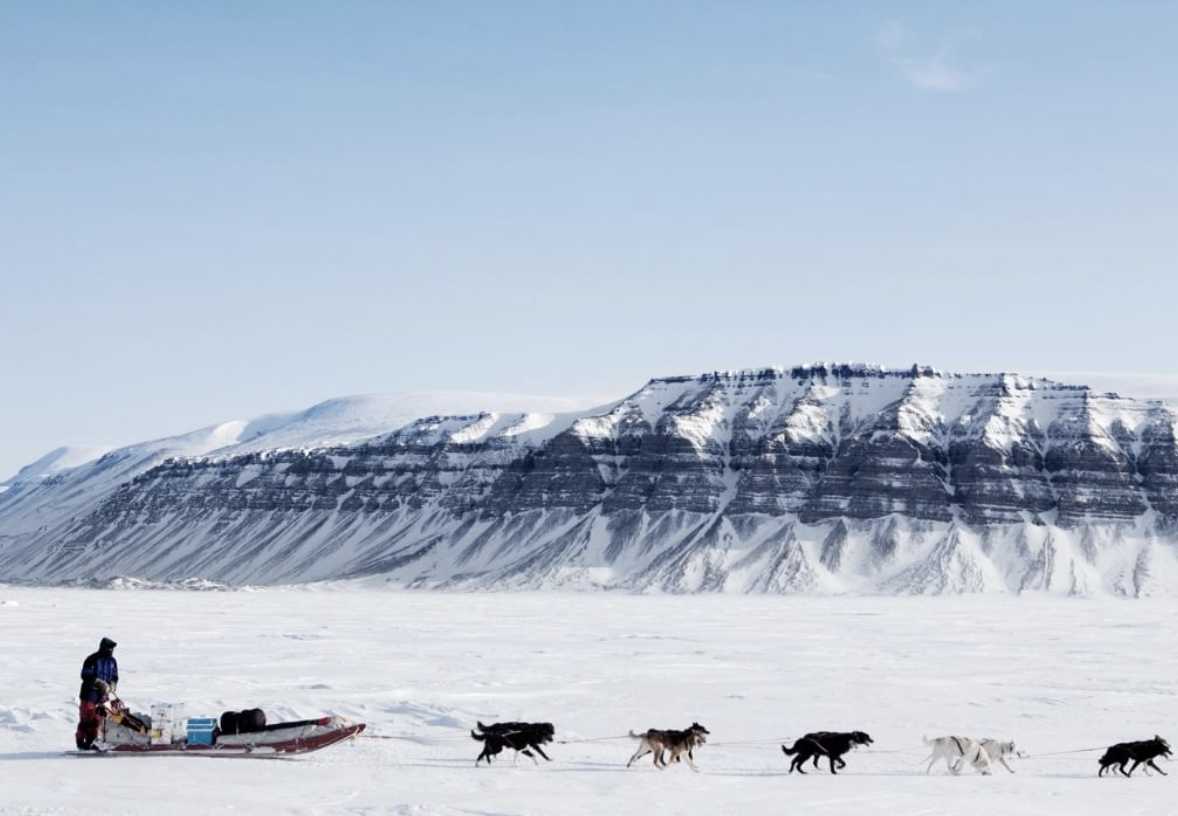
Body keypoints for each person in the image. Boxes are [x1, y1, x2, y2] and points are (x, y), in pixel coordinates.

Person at [75, 637, 119, 750]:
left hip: (103, 695)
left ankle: (93, 741)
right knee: (87, 718)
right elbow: (85, 674)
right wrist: (98, 682)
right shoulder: (92, 659)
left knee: (99, 719)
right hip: (89, 693)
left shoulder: (112, 661)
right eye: (109, 648)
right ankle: (80, 741)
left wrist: (112, 684)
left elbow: (114, 676)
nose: (110, 650)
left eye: (112, 648)